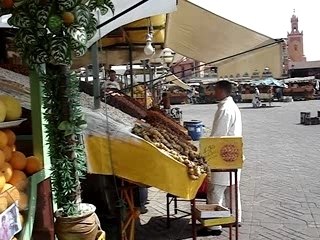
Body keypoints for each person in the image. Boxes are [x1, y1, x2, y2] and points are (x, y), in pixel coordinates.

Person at [198, 80, 243, 237]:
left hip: (223, 155)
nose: (213, 93)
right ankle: (235, 218)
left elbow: (217, 137)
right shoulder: (231, 107)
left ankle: (214, 226)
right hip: (233, 155)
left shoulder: (224, 109)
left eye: (215, 90)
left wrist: (204, 153)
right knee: (232, 189)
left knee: (215, 191)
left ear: (223, 91)